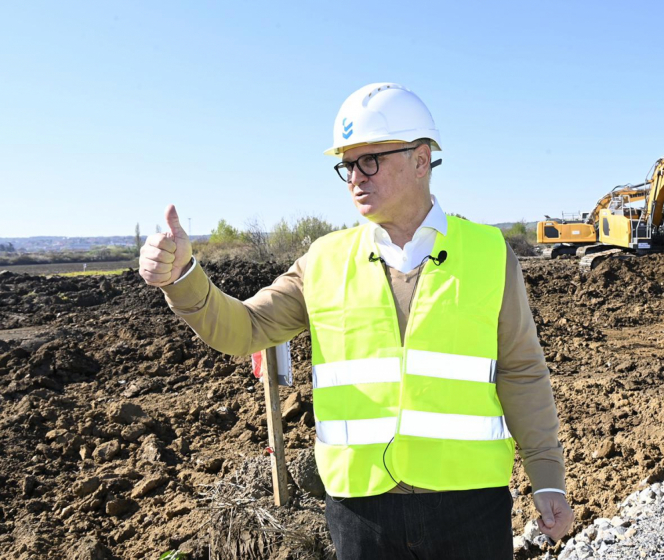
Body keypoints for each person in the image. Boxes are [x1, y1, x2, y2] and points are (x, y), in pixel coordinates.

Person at [139, 82, 573, 559]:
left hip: (470, 505)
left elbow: (522, 370)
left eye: (371, 160)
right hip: (361, 514)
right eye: (348, 164)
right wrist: (182, 277)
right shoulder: (323, 260)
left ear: (421, 160)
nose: (356, 178)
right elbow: (242, 328)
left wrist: (547, 478)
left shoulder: (489, 253)